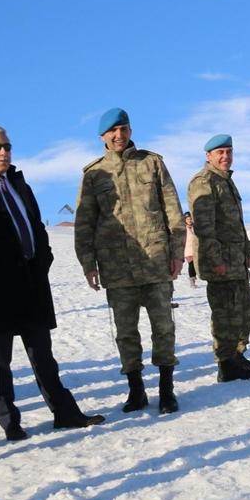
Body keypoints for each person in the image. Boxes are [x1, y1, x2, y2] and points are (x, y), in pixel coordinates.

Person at [0, 125, 105, 441]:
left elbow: (35, 227)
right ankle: (10, 422)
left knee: (43, 353)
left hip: (32, 282)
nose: (3, 152)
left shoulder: (21, 185)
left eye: (7, 146)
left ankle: (65, 412)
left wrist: (43, 259)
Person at [74, 107, 186, 414]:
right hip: (117, 267)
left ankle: (166, 390)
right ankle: (136, 390)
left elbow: (173, 211)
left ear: (130, 131)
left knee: (163, 328)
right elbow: (85, 222)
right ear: (103, 137)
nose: (118, 135)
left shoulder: (152, 163)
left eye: (123, 129)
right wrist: (88, 263)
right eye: (113, 131)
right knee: (126, 333)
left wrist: (177, 253)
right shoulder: (94, 174)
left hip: (155, 262)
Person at [187, 134, 250, 383]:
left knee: (245, 308)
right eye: (220, 152)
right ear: (209, 156)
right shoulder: (203, 182)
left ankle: (238, 354)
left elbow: (237, 223)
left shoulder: (227, 181)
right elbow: (204, 228)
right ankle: (225, 364)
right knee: (225, 312)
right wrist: (215, 259)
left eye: (229, 152)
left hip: (236, 259)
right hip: (220, 261)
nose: (225, 156)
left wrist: (247, 250)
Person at [183, 212, 198, 289]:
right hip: (187, 250)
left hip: (195, 249)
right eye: (187, 219)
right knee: (191, 264)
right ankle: (192, 280)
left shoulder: (194, 228)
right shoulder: (184, 229)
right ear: (185, 220)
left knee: (195, 265)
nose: (189, 220)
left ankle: (194, 277)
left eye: (190, 219)